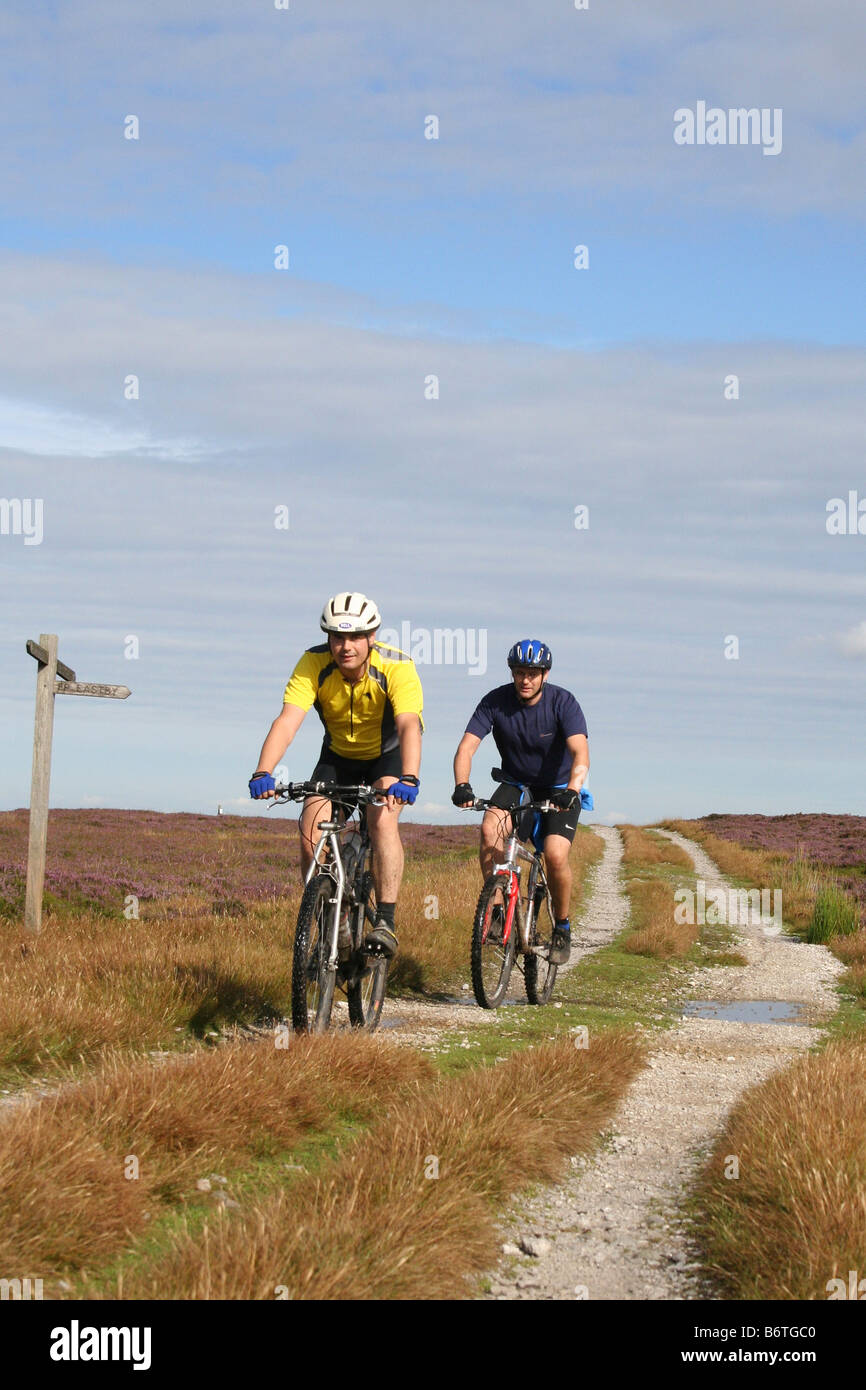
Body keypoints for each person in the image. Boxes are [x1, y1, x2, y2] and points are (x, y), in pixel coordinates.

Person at [249, 592, 424, 960]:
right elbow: (287, 721)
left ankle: (385, 922)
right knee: (310, 827)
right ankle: (329, 918)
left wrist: (409, 777)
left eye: (356, 637)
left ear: (371, 636)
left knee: (382, 819)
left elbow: (409, 724)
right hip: (338, 758)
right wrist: (263, 769)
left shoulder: (397, 665)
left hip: (386, 760)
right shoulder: (313, 663)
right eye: (337, 637)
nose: (346, 646)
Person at [451, 639, 589, 965]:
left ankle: (562, 928)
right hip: (516, 784)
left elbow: (580, 752)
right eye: (519, 673)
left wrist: (573, 788)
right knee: (489, 830)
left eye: (532, 673)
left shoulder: (563, 703)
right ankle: (497, 909)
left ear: (545, 674)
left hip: (558, 788)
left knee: (554, 855)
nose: (525, 680)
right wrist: (462, 785)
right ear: (511, 673)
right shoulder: (495, 702)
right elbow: (466, 748)